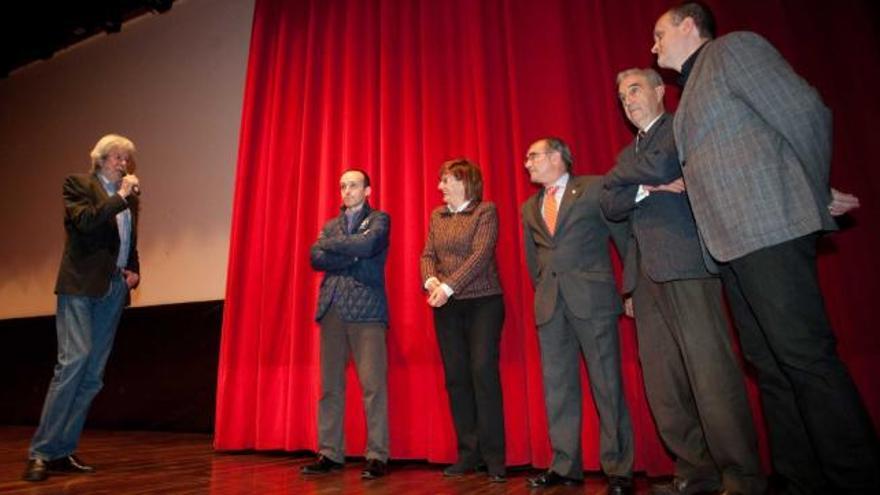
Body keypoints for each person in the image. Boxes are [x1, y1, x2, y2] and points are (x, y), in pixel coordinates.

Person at [651, 3, 880, 493]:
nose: (654, 46)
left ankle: (855, 477)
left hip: (768, 229)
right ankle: (799, 479)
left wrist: (811, 189)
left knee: (805, 359)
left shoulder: (734, 49)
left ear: (690, 25)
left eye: (659, 34)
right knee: (771, 368)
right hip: (732, 246)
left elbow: (805, 111)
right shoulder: (689, 91)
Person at [600, 67, 765, 495]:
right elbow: (609, 203)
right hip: (645, 280)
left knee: (711, 375)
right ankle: (696, 472)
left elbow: (663, 163)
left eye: (635, 90)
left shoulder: (678, 128)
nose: (628, 100)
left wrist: (628, 179)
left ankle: (740, 476)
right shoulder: (628, 154)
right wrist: (647, 189)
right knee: (663, 382)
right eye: (621, 97)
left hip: (689, 266)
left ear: (659, 90)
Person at [23, 134, 142, 482]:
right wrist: (119, 197)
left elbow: (128, 240)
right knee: (73, 362)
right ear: (101, 159)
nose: (124, 164)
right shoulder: (77, 184)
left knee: (92, 376)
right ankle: (41, 452)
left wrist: (134, 268)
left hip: (114, 288)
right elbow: (86, 223)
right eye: (118, 158)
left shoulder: (128, 201)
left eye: (127, 160)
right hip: (80, 286)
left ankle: (63, 451)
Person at [521, 137, 634, 494]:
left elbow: (624, 239)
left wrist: (630, 288)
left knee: (607, 383)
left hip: (593, 300)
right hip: (550, 305)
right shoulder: (529, 206)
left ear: (557, 157)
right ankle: (565, 465)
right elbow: (533, 259)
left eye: (533, 156)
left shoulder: (595, 187)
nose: (527, 163)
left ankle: (618, 468)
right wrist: (543, 290)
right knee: (558, 387)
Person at [420, 159, 506, 483]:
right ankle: (468, 454)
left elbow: (481, 255)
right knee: (456, 378)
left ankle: (494, 458)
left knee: (482, 371)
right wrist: (430, 280)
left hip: (483, 303)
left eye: (446, 180)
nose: (440, 187)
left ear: (464, 182)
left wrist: (447, 286)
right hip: (447, 306)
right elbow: (427, 254)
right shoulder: (436, 216)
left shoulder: (485, 211)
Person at [303, 169, 391, 480]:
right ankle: (330, 453)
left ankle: (377, 455)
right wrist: (351, 250)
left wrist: (336, 247)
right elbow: (315, 257)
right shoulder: (330, 224)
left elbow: (368, 248)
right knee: (329, 387)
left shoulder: (380, 220)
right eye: (342, 186)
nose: (347, 190)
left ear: (367, 190)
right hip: (332, 310)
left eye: (353, 185)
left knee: (373, 387)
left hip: (367, 310)